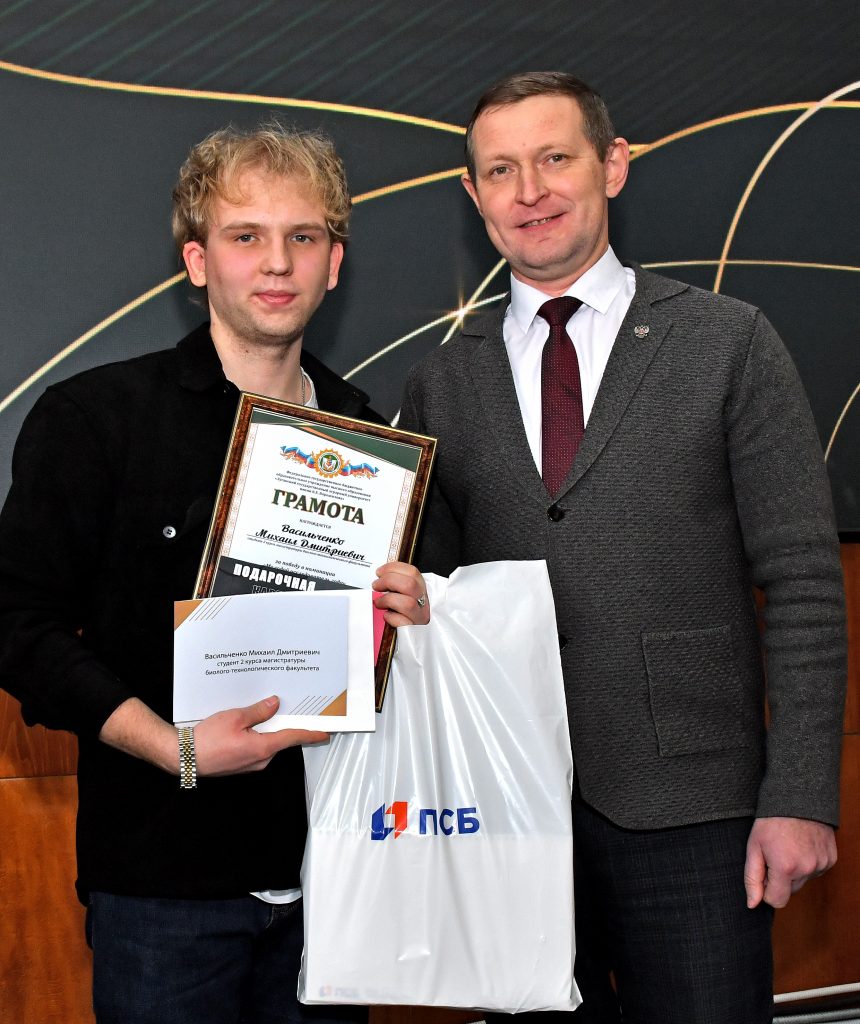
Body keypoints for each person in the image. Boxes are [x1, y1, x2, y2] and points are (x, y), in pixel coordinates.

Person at [399, 72, 846, 1024]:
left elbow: (805, 581)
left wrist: (802, 794)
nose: (530, 191)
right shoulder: (442, 383)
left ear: (612, 166)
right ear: (474, 196)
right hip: (513, 816)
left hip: (697, 813)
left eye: (555, 158)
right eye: (500, 171)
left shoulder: (728, 342)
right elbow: (432, 601)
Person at [0, 122, 428, 1024]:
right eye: (245, 236)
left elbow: (400, 662)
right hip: (164, 893)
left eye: (302, 236)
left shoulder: (373, 439)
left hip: (334, 885)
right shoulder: (96, 419)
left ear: (333, 263)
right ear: (197, 261)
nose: (277, 262)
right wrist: (177, 748)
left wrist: (417, 613)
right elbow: (17, 626)